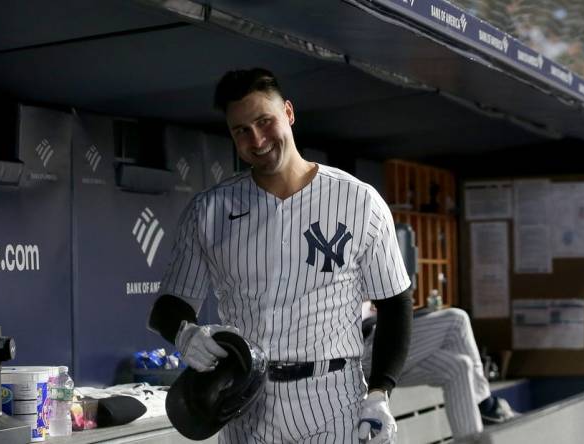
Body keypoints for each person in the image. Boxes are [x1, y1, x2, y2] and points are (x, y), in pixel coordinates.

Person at [148, 68, 413, 443]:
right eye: (241, 130)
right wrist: (185, 332)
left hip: (332, 399)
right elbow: (167, 305)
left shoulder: (359, 200)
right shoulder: (209, 210)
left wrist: (380, 393)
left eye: (264, 121)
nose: (256, 139)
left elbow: (396, 304)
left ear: (288, 113)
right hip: (244, 401)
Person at [361, 302, 517, 439]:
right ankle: (484, 404)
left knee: (460, 366)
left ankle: (471, 438)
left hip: (381, 343)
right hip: (365, 351)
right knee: (457, 319)